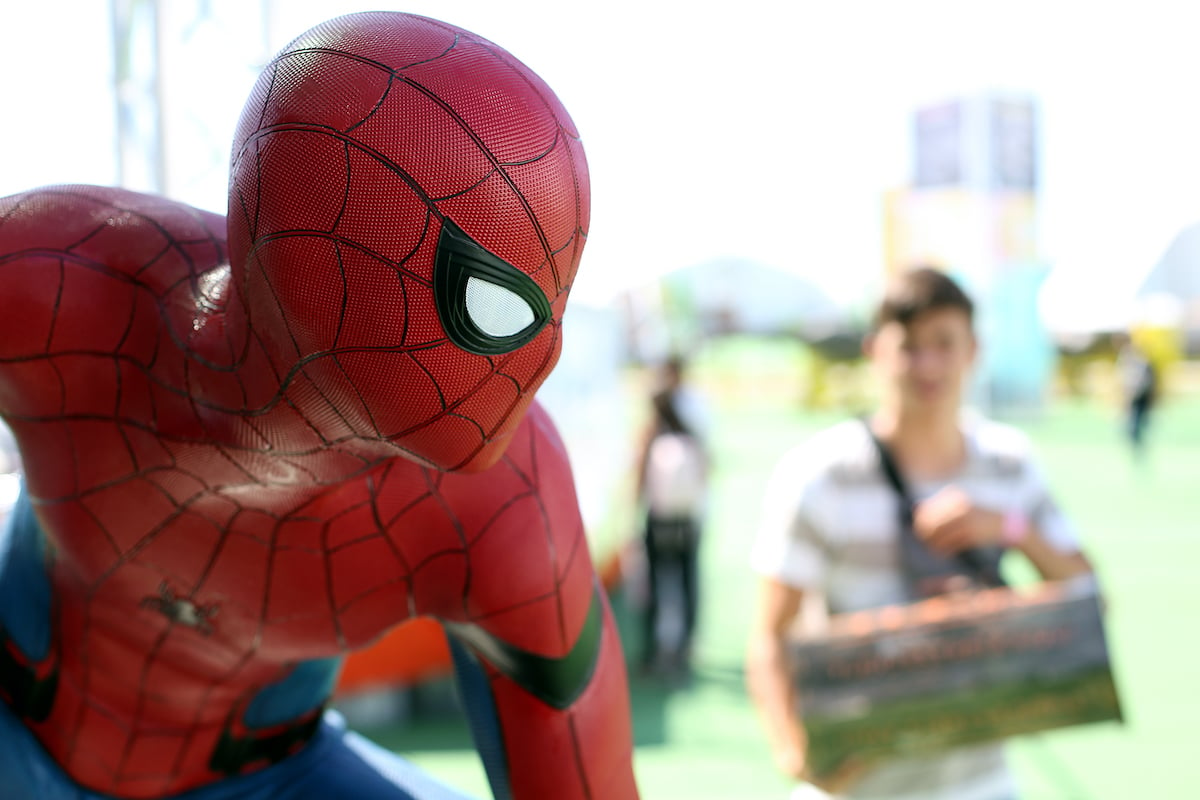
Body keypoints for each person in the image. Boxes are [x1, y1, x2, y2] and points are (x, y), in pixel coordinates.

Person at [0, 12, 639, 800]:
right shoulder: (58, 288)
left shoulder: (503, 502)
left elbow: (578, 770)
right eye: (497, 304)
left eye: (554, 300)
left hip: (273, 774)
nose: (546, 357)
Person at [745, 267, 1093, 800]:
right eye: (909, 346)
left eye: (944, 343)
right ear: (875, 351)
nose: (927, 363)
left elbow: (1086, 595)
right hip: (857, 783)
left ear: (973, 350)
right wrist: (791, 748)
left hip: (981, 781)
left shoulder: (1008, 465)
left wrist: (1008, 528)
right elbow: (771, 634)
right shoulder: (819, 474)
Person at [633, 355, 710, 676]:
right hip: (689, 517)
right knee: (688, 579)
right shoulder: (694, 423)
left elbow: (638, 473)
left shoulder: (652, 430)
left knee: (654, 582)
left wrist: (634, 509)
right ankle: (686, 646)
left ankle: (652, 650)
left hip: (659, 517)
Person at [1115, 332, 1159, 461]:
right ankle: (1138, 450)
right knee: (1131, 428)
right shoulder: (1125, 356)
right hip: (1133, 397)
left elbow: (1142, 378)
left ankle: (1141, 451)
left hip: (1139, 397)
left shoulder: (1134, 356)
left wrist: (1134, 392)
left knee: (1137, 426)